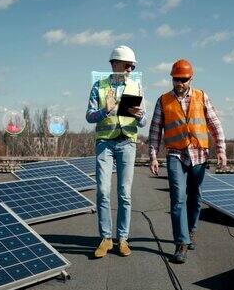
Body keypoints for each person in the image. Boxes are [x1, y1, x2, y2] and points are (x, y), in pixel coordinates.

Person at [148, 59, 226, 264]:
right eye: (176, 79)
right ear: (172, 78)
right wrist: (153, 156)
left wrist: (221, 150)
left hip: (199, 154)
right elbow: (155, 130)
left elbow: (214, 124)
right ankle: (180, 243)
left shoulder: (201, 96)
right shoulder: (163, 100)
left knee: (195, 197)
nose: (179, 83)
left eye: (183, 79)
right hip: (175, 154)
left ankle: (191, 230)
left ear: (191, 78)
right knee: (177, 198)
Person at [86, 45, 146, 258]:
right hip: (105, 143)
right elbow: (89, 116)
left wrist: (139, 116)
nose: (130, 69)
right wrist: (106, 110)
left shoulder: (136, 87)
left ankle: (122, 239)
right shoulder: (99, 86)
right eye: (128, 65)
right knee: (103, 190)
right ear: (115, 64)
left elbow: (143, 121)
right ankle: (106, 238)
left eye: (133, 66)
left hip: (127, 143)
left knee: (124, 193)